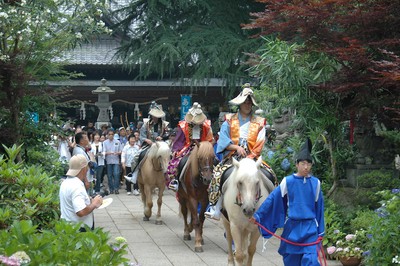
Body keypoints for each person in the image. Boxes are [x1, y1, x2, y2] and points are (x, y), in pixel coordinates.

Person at [252, 138, 325, 266]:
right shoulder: (288, 181)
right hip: (293, 228)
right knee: (291, 261)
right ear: (296, 164)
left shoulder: (316, 183)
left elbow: (320, 209)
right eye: (303, 163)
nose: (306, 167)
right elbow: (272, 199)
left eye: (309, 164)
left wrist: (321, 232)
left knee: (311, 261)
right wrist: (258, 215)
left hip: (310, 229)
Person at [205, 83, 270, 220]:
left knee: (271, 176)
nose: (247, 105)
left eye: (249, 103)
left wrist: (251, 156)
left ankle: (272, 208)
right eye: (245, 102)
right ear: (240, 104)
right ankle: (215, 206)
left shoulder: (259, 122)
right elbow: (223, 139)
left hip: (252, 157)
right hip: (233, 157)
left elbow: (260, 142)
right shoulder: (229, 120)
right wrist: (236, 147)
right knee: (218, 174)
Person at [166, 102, 214, 191]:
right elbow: (179, 140)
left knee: (213, 161)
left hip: (203, 148)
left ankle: (215, 182)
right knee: (177, 162)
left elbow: (210, 139)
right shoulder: (184, 126)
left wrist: (205, 146)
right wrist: (176, 150)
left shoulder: (206, 125)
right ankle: (175, 181)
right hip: (187, 148)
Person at [125, 101, 169, 184]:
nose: (155, 117)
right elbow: (141, 136)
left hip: (161, 145)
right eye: (154, 115)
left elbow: (168, 134)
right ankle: (134, 175)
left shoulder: (164, 124)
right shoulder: (146, 124)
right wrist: (146, 140)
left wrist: (162, 137)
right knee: (137, 157)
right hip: (149, 145)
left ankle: (170, 177)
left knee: (169, 156)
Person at [59, 154, 103, 231]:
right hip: (78, 229)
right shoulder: (77, 186)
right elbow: (81, 212)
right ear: (83, 169)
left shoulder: (66, 182)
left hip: (67, 226)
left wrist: (88, 200)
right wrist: (94, 204)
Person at [103, 129, 123, 194]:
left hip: (116, 160)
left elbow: (121, 151)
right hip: (109, 160)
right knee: (109, 175)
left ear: (114, 135)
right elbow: (104, 152)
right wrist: (108, 153)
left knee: (116, 174)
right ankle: (111, 189)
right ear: (107, 135)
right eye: (109, 134)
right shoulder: (105, 142)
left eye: (112, 134)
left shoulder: (117, 142)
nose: (111, 136)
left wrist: (118, 153)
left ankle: (116, 188)